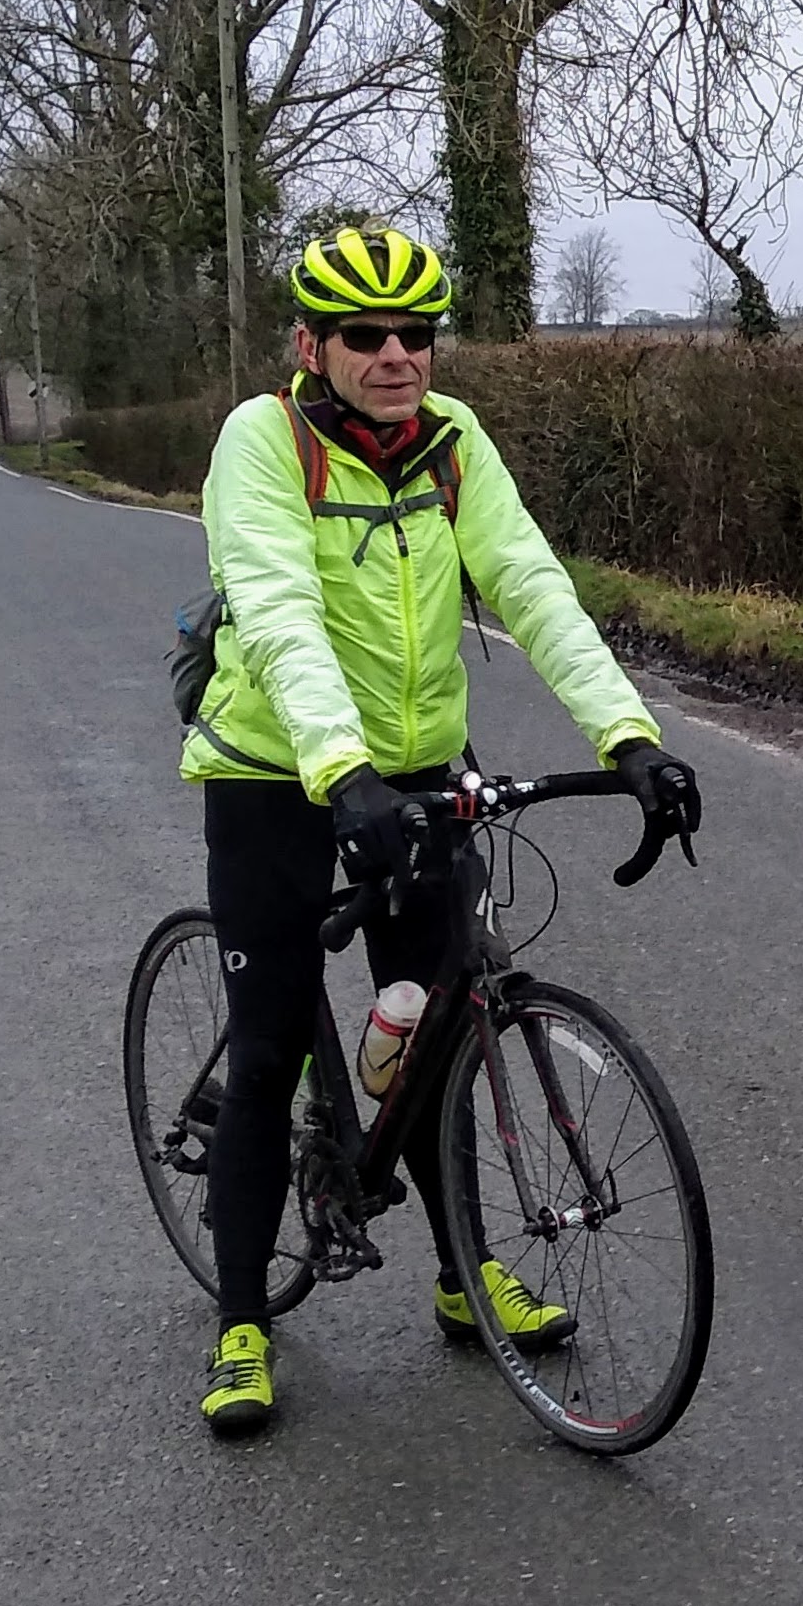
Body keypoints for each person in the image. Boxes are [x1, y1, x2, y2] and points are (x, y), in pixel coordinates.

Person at [179, 223, 703, 1434]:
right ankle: (245, 1317)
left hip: (415, 772)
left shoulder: (454, 442)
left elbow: (533, 586)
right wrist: (341, 772)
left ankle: (465, 1273)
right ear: (311, 345)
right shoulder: (264, 441)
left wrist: (630, 738)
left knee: (435, 1029)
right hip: (276, 771)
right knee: (268, 1045)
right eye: (365, 335)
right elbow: (277, 610)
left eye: (416, 333)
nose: (396, 355)